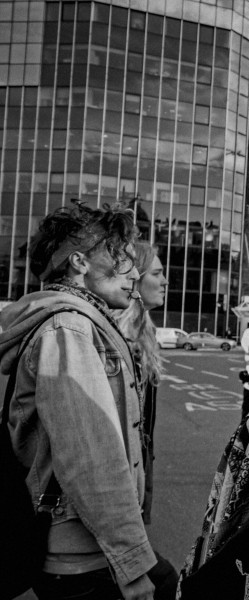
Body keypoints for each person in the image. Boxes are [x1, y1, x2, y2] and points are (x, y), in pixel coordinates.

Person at [0, 202, 156, 600]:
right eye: (121, 259)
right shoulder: (68, 328)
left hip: (89, 547)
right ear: (79, 262)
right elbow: (91, 458)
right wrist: (133, 566)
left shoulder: (79, 322)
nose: (134, 272)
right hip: (81, 558)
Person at [117, 241, 179, 598]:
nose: (166, 280)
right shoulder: (121, 339)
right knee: (165, 581)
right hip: (119, 494)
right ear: (135, 280)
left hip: (136, 486)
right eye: (156, 273)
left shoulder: (144, 334)